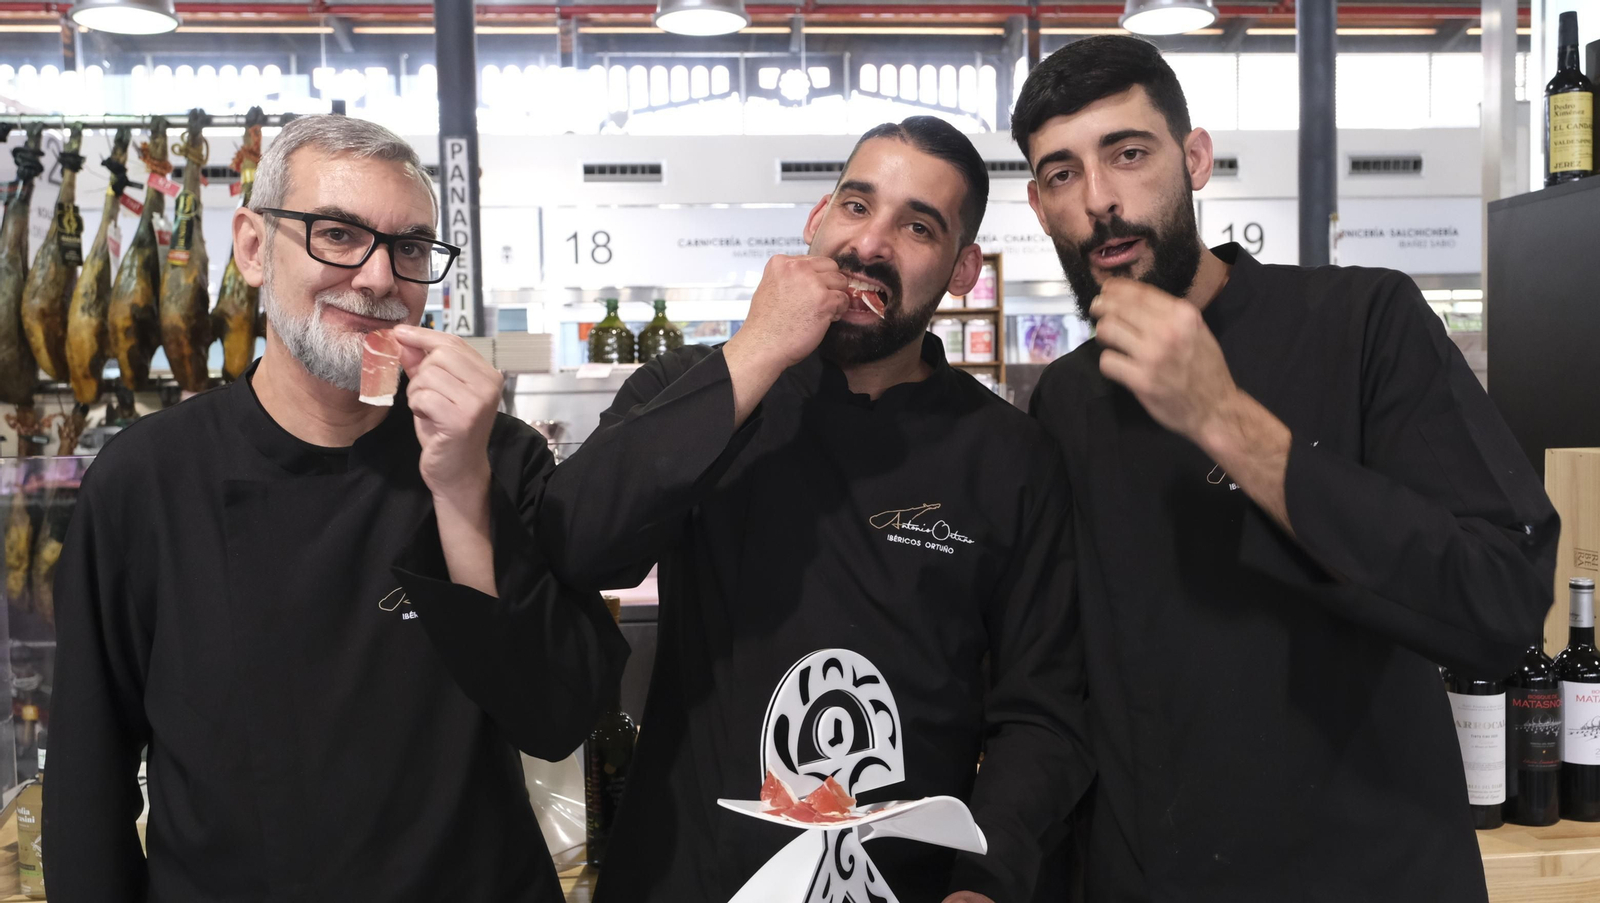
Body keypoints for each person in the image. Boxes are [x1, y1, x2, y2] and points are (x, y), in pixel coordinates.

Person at [1014, 36, 1559, 902]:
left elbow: (1498, 599)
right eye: (1061, 174)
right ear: (1040, 209)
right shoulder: (1066, 404)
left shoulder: (1364, 322)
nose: (1102, 202)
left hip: (1370, 874)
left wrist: (1228, 423)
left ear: (1195, 159)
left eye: (1128, 153)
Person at [44, 115, 629, 902]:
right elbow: (88, 781)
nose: (381, 278)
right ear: (253, 248)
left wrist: (460, 491)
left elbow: (559, 717)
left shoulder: (499, 455)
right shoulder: (147, 480)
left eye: (410, 248)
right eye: (338, 234)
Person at [538, 116, 1093, 903]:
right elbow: (577, 540)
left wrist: (988, 879)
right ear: (815, 221)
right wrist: (757, 351)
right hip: (688, 874)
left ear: (964, 269)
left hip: (906, 884)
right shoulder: (693, 386)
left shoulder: (1010, 455)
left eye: (918, 226)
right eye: (856, 206)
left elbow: (1043, 709)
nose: (871, 245)